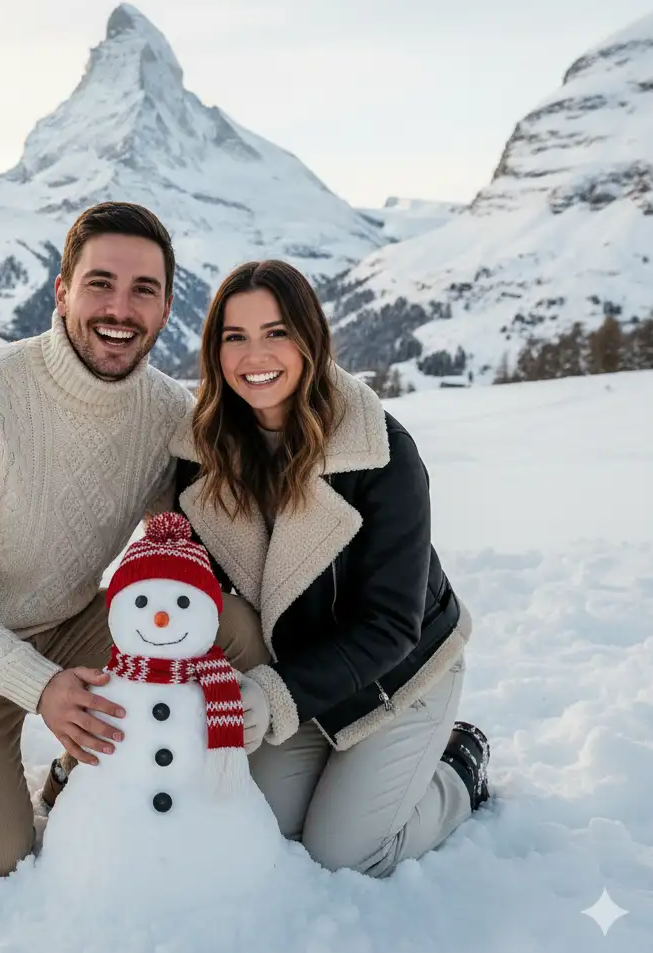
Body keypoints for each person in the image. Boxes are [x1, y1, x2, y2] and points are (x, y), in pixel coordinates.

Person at [0, 202, 270, 887]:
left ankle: (82, 771)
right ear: (61, 292)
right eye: (100, 284)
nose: (119, 308)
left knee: (229, 629)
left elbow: (189, 538)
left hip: (68, 623)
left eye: (142, 290)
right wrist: (40, 689)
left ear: (165, 308)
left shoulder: (166, 411)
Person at [169, 259, 491, 879]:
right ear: (214, 351)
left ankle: (457, 770)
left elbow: (392, 626)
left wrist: (270, 694)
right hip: (302, 675)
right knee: (267, 828)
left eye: (276, 332)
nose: (254, 354)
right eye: (234, 336)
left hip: (399, 673)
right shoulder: (201, 454)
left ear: (310, 339)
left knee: (346, 855)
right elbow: (186, 586)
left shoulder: (379, 452)